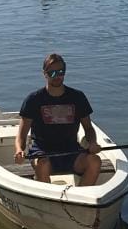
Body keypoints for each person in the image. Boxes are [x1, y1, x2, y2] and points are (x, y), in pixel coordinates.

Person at [14, 54, 102, 186]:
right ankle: (48, 200)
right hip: (42, 151)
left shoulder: (77, 97)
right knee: (42, 164)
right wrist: (19, 150)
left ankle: (80, 199)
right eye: (52, 73)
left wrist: (93, 143)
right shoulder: (33, 100)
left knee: (95, 161)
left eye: (61, 72)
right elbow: (21, 134)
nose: (57, 76)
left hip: (71, 150)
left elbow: (88, 128)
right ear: (44, 73)